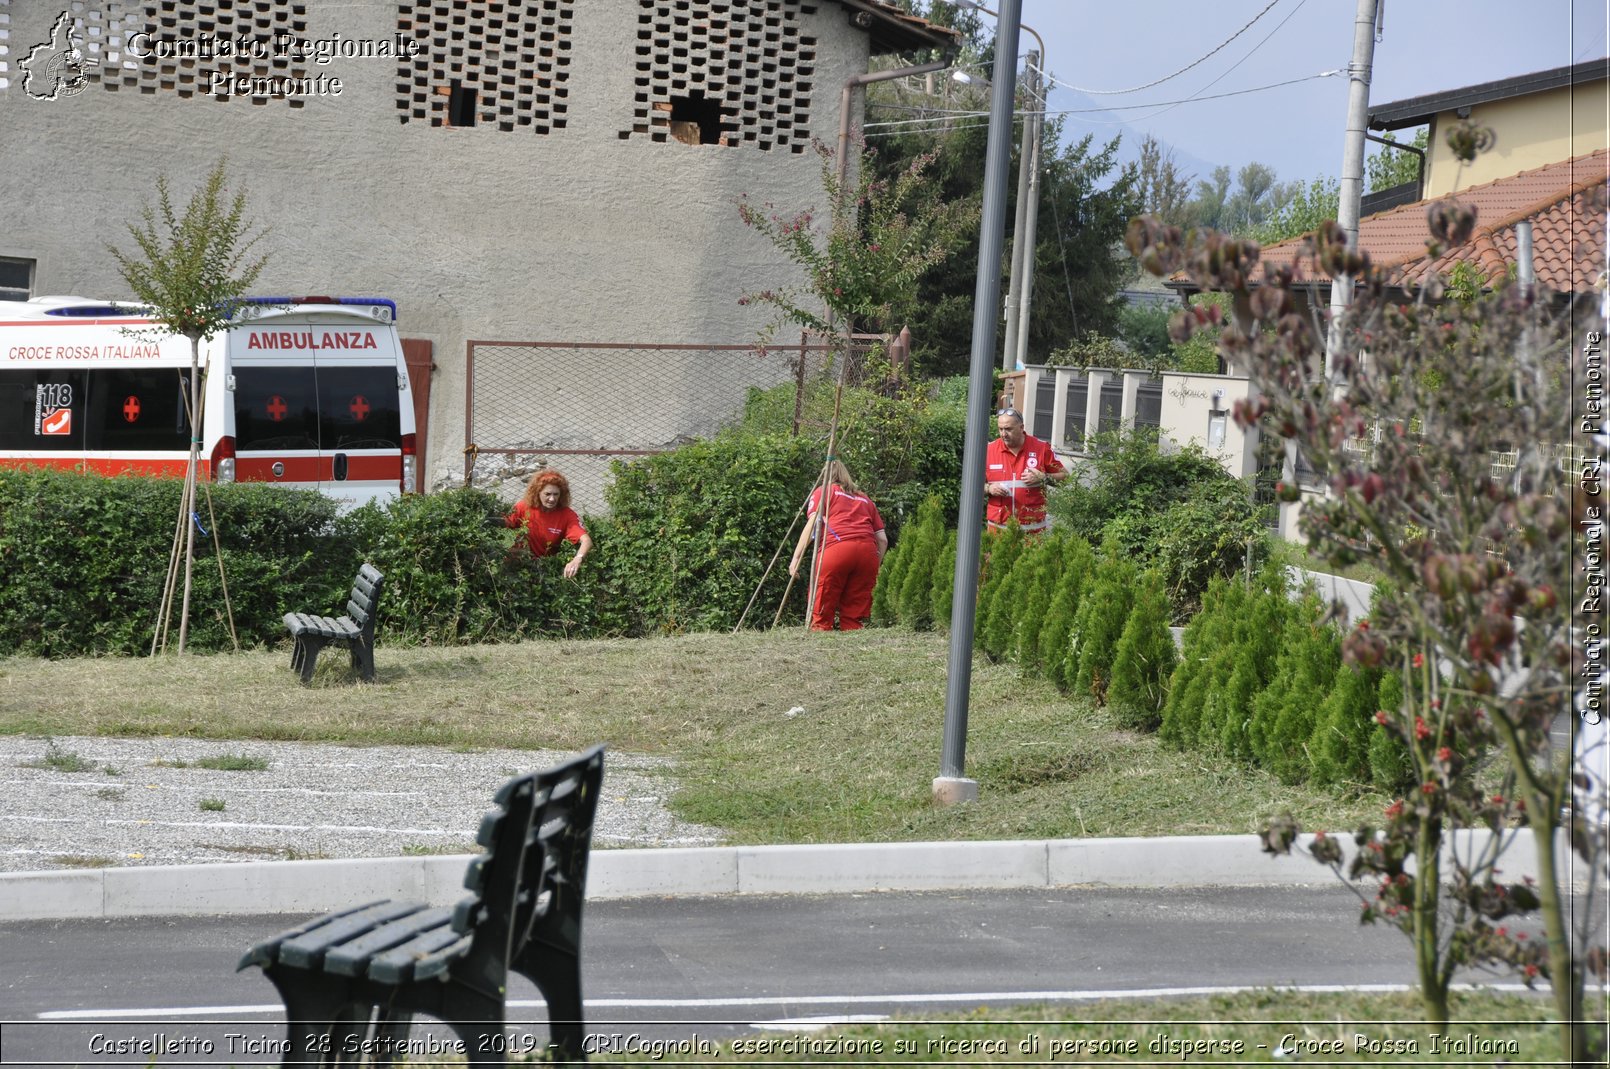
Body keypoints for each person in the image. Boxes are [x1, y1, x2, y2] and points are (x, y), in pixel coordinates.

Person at [788, 459, 888, 631]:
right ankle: (852, 633)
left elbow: (813, 524)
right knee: (855, 611)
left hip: (836, 549)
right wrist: (875, 563)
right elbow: (883, 539)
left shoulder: (824, 492)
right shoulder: (865, 498)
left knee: (823, 602)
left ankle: (820, 633)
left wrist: (796, 557)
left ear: (825, 475)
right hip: (867, 552)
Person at [984, 408, 1066, 534]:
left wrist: (1044, 477)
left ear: (1021, 428)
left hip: (1032, 532)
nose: (1003, 434)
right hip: (998, 531)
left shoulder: (1041, 448)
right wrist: (988, 488)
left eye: (1008, 429)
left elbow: (1065, 477)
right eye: (1001, 429)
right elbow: (972, 486)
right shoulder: (989, 450)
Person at [506, 469, 592, 578]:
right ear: (537, 492)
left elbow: (586, 540)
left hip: (545, 569)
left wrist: (577, 559)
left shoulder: (566, 515)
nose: (552, 499)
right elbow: (505, 523)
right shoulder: (523, 507)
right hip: (517, 563)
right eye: (547, 494)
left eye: (556, 494)